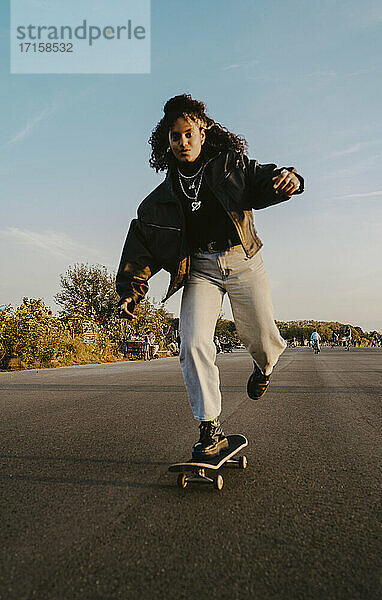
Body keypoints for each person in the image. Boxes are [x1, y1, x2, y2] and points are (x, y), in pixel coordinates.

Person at [116, 94, 304, 458]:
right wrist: (130, 290)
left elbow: (263, 177)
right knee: (192, 342)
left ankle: (263, 368)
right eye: (175, 136)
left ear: (203, 132)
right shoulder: (161, 199)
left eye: (188, 134)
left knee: (264, 340)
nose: (182, 142)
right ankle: (210, 427)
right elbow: (142, 244)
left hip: (243, 261)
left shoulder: (231, 166)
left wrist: (289, 178)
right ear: (166, 141)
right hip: (200, 270)